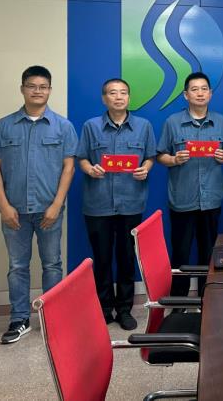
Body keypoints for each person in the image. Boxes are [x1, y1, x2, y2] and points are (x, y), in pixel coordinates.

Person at [0, 65, 77, 344]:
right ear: (22, 89)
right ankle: (19, 319)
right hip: (14, 211)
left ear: (50, 90)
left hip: (49, 210)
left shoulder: (63, 126)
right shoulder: (4, 125)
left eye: (43, 86)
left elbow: (69, 167)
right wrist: (4, 205)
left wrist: (57, 204)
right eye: (32, 86)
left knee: (53, 265)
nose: (38, 91)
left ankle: (53, 318)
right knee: (17, 266)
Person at [76, 78, 156, 330]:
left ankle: (124, 309)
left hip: (131, 202)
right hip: (98, 203)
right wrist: (90, 169)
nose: (118, 97)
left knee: (126, 258)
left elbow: (150, 157)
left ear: (129, 98)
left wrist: (145, 169)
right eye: (113, 93)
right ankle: (103, 308)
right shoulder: (91, 126)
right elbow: (81, 158)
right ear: (104, 98)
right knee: (101, 259)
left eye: (123, 93)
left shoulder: (143, 126)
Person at [157, 72, 223, 296]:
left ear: (210, 93)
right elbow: (160, 155)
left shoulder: (222, 122)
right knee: (181, 253)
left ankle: (206, 299)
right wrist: (174, 159)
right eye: (195, 89)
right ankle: (179, 301)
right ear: (185, 94)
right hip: (182, 199)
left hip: (211, 199)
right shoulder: (172, 122)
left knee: (208, 253)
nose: (200, 93)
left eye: (204, 89)